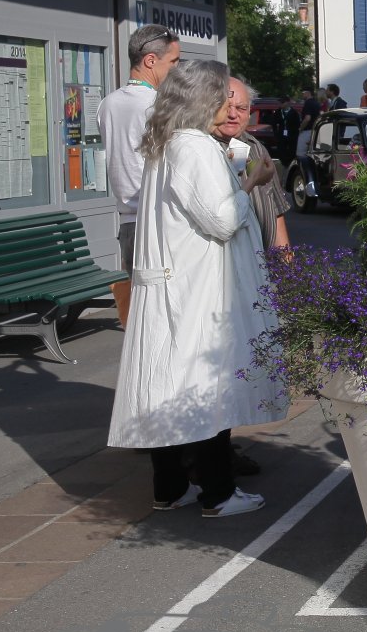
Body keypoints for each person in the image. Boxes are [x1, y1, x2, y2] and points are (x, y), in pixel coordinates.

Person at [107, 59, 283, 518]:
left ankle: (169, 488)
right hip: (200, 288)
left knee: (170, 385)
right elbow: (222, 220)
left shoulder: (166, 141)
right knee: (208, 388)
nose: (228, 105)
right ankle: (218, 493)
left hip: (176, 282)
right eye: (222, 96)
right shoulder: (195, 146)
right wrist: (252, 182)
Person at [96, 24, 181, 326]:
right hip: (159, 221)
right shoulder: (158, 106)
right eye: (173, 61)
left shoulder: (107, 104)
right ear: (150, 60)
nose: (177, 69)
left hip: (128, 223)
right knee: (168, 318)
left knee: (141, 320)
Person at [221, 77, 292, 252]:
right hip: (226, 264)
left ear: (249, 112)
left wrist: (286, 264)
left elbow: (277, 212)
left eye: (241, 108)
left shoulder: (257, 148)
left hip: (263, 261)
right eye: (225, 107)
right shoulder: (201, 149)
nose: (233, 114)